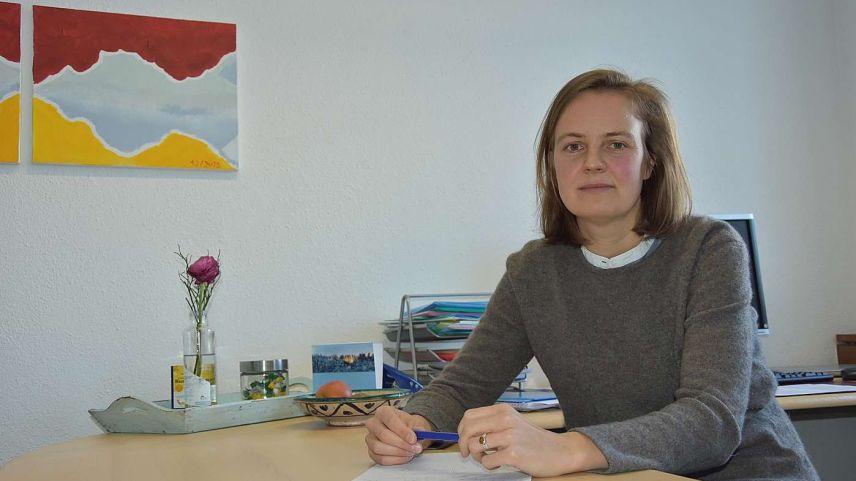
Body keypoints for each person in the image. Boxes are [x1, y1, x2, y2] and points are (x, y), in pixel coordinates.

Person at [364, 69, 819, 480]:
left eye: (616, 144)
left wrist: (564, 448)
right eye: (573, 146)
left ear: (650, 162)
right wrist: (412, 424)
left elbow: (711, 422)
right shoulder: (533, 271)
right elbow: (465, 386)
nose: (592, 162)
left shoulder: (708, 249)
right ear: (552, 164)